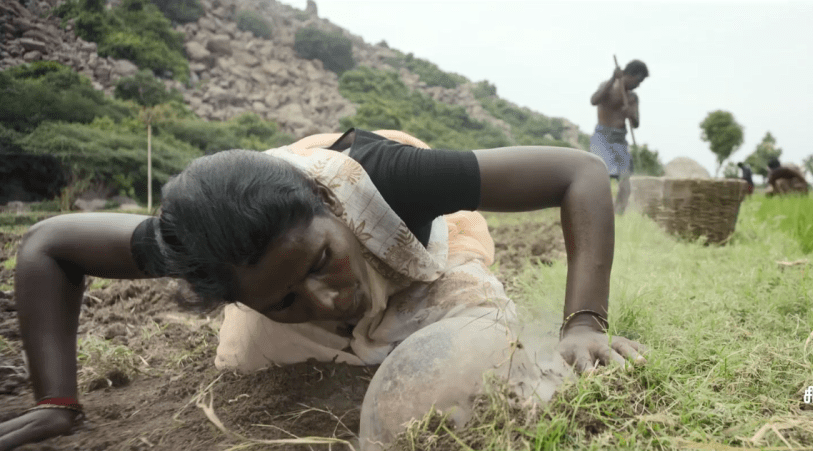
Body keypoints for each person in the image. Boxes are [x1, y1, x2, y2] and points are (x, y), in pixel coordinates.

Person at [0, 129, 646, 451]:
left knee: (476, 343)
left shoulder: (394, 175)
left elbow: (579, 171)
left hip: (419, 242)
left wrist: (584, 320)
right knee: (250, 358)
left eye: (322, 262)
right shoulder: (194, 242)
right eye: (284, 297)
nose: (327, 298)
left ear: (333, 211)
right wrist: (58, 399)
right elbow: (48, 243)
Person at [590, 59, 648, 215]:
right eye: (638, 80)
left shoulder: (632, 98)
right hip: (602, 137)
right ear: (629, 75)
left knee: (625, 180)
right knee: (603, 175)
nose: (638, 84)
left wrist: (631, 115)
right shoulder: (607, 87)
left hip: (620, 140)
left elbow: (635, 124)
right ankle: (598, 211)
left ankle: (618, 214)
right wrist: (612, 79)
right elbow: (594, 100)